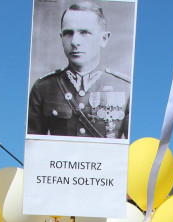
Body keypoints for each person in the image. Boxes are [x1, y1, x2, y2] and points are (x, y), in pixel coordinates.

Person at [27, 1, 130, 139]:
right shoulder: (43, 88)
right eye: (68, 33)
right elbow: (34, 149)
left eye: (84, 32)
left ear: (103, 39)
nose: (75, 41)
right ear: (61, 38)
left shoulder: (126, 89)